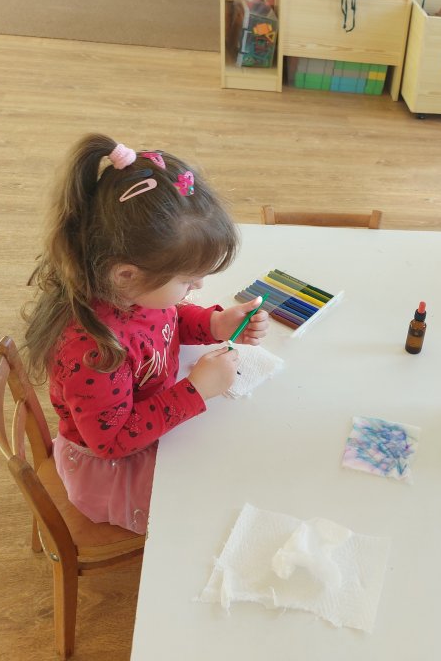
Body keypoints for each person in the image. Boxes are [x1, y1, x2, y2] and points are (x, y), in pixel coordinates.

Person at [22, 134, 268, 534]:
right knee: (213, 503)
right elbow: (111, 442)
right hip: (115, 468)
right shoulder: (94, 353)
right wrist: (196, 390)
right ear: (126, 275)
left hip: (152, 420)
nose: (199, 286)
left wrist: (213, 324)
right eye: (188, 279)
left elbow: (167, 320)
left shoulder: (130, 290)